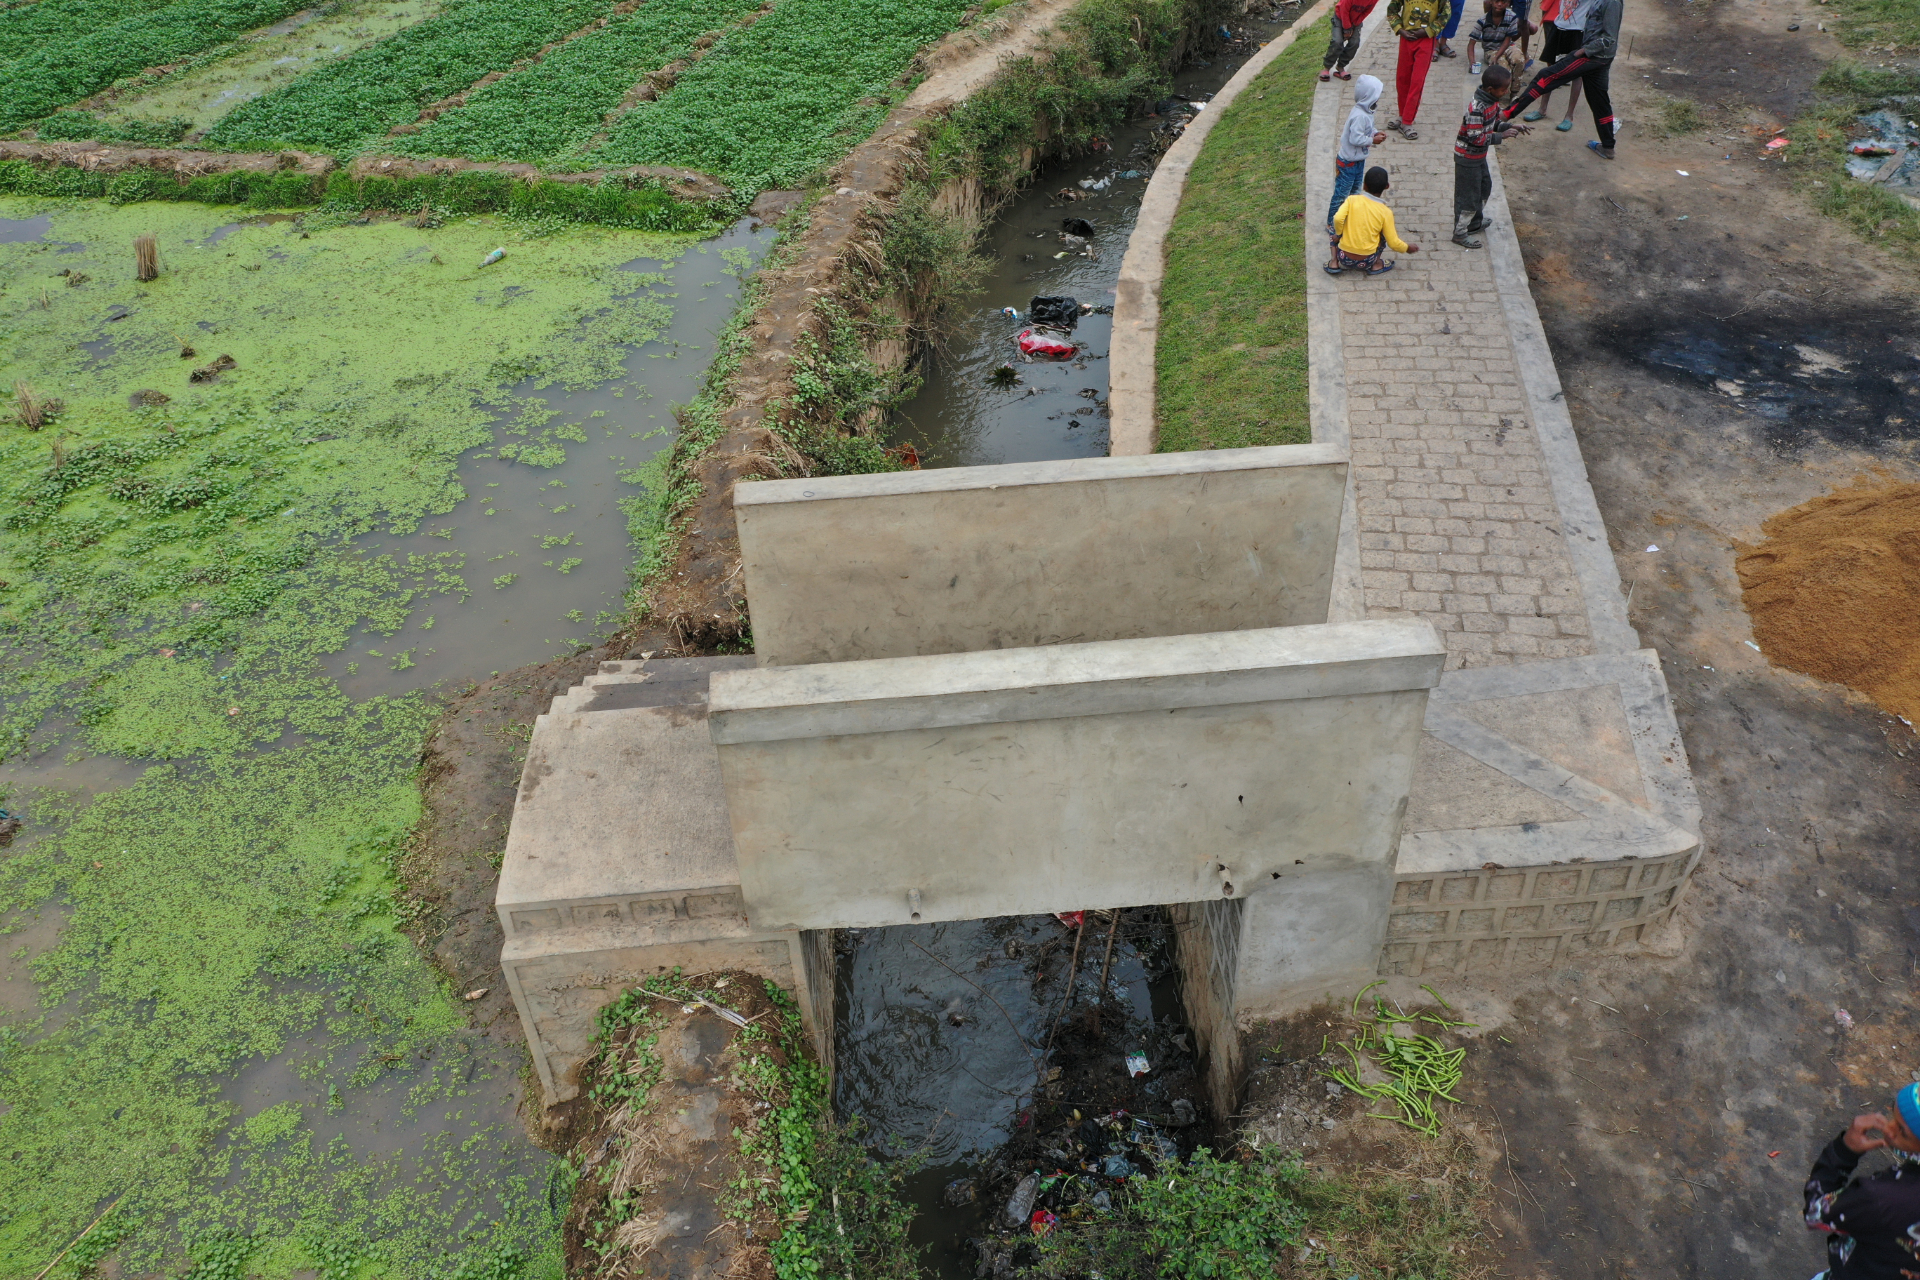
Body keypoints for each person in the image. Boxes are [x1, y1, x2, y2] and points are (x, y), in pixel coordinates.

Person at [1804, 1087, 1920, 1278]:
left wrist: (1844, 1151)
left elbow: (1816, 1212)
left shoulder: (1881, 1197)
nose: (1889, 1130)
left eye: (1902, 1132)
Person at [1502, 0, 1622, 158]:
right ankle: (1607, 147)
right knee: (1599, 100)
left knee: (1545, 77)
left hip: (1594, 56)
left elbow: (1610, 38)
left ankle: (1504, 115)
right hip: (1597, 55)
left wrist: (1583, 51)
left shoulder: (1611, 2)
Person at [1452, 65, 1530, 248]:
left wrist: (1510, 127)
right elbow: (1475, 136)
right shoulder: (1476, 108)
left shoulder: (1492, 103)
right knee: (1468, 197)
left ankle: (1474, 223)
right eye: (1503, 89)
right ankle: (1460, 233)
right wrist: (1500, 136)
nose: (1506, 92)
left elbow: (1494, 123)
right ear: (1490, 90)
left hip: (1478, 157)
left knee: (1484, 187)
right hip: (1467, 158)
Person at [1328, 166, 1420, 276]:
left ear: (1364, 185)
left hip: (1343, 256)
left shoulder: (1352, 200)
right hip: (1368, 260)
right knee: (1383, 234)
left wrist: (1338, 234)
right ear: (1387, 186)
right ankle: (1376, 264)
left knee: (1333, 226)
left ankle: (1334, 262)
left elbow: (1338, 218)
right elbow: (1393, 242)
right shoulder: (1385, 212)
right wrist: (1407, 248)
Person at [1385, 0, 1454, 139]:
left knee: (1417, 81)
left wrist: (1428, 31)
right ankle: (1402, 115)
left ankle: (1407, 122)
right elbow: (1392, 10)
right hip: (1406, 40)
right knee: (1402, 79)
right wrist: (1400, 30)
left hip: (1426, 41)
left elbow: (1446, 15)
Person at [1328, 75, 1387, 231]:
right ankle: (1332, 224)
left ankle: (1348, 218)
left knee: (1354, 192)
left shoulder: (1367, 112)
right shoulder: (1359, 115)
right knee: (1341, 195)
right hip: (1347, 164)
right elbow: (1356, 138)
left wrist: (1375, 133)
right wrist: (1372, 140)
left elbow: (1368, 129)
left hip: (1358, 162)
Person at [1321, 0, 1382, 81]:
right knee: (1337, 42)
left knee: (1355, 43)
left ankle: (1340, 67)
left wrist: (1354, 25)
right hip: (1340, 17)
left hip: (1355, 21)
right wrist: (1347, 29)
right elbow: (1344, 10)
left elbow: (1366, 12)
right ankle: (1327, 68)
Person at [1466, 0, 1521, 75]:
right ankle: (1505, 86)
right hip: (1491, 50)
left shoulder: (1512, 17)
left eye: (1503, 2)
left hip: (1508, 47)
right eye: (1497, 1)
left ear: (1508, 3)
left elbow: (1507, 40)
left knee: (1519, 60)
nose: (1499, 4)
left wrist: (1497, 56)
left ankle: (1515, 86)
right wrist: (1472, 62)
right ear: (1491, 2)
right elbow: (1471, 43)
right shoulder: (1482, 21)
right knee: (1503, 68)